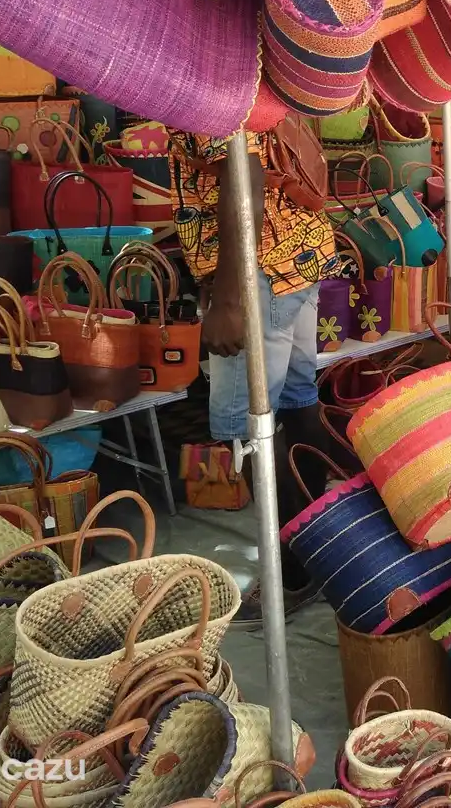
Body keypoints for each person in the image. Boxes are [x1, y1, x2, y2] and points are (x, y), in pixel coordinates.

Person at [170, 130, 341, 629]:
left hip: (259, 270)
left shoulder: (208, 87)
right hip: (296, 253)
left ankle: (288, 574)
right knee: (295, 399)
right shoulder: (252, 78)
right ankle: (318, 554)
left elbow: (242, 177)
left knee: (247, 424)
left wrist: (228, 297)